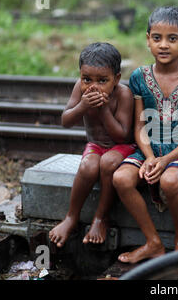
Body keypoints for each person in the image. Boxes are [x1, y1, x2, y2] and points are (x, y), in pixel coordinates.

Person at [112, 6, 178, 263]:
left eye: (172, 38)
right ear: (148, 40)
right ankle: (153, 242)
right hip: (147, 150)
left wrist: (165, 161)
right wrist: (149, 157)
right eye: (157, 38)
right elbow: (139, 127)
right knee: (121, 178)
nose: (164, 45)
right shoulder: (139, 77)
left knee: (168, 181)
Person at [49, 42, 135, 248]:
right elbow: (66, 121)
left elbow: (123, 135)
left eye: (102, 80)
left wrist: (104, 110)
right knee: (88, 166)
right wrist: (83, 106)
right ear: (80, 76)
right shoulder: (80, 89)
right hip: (96, 144)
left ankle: (100, 219)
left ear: (116, 79)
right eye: (87, 79)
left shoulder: (123, 94)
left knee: (107, 163)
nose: (93, 86)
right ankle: (71, 217)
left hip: (121, 147)